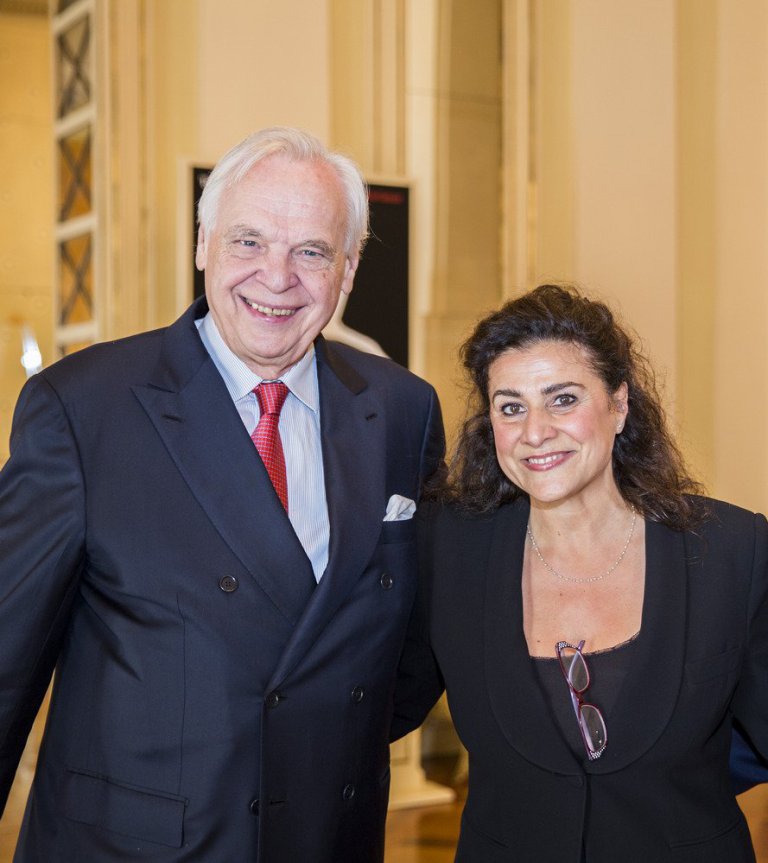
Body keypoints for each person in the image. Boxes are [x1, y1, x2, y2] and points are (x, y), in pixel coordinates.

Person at [0, 126, 444, 862]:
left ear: (350, 269)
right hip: (134, 845)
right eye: (249, 241)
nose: (277, 277)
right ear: (203, 244)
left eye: (312, 251)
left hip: (328, 837)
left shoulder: (402, 409)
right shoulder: (83, 408)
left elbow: (420, 635)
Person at [393, 284, 768, 862]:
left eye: (563, 399)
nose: (534, 432)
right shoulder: (447, 549)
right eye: (510, 406)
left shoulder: (731, 550)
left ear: (620, 405)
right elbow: (381, 701)